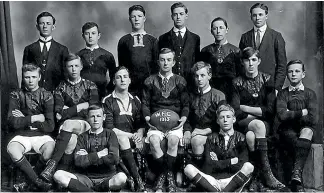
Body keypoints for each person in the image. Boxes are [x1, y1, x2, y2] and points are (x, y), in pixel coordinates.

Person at [231, 47, 287, 191]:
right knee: (257, 125)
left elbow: (269, 111)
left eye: (254, 60)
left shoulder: (267, 79)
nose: (250, 63)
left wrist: (245, 107)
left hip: (265, 124)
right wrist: (257, 112)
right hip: (243, 123)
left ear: (259, 61)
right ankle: (267, 174)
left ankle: (255, 177)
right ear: (243, 62)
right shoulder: (236, 82)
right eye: (247, 60)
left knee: (251, 136)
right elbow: (235, 111)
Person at [40, 53, 99, 182]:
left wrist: (70, 110)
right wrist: (81, 107)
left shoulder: (91, 86)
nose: (73, 69)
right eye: (70, 66)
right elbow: (59, 114)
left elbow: (93, 111)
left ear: (81, 67)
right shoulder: (60, 88)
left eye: (76, 66)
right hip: (66, 126)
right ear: (66, 68)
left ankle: (52, 165)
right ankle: (62, 176)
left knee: (68, 124)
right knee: (71, 139)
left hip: (86, 123)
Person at [142, 48, 190, 192]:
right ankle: (169, 177)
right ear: (158, 62)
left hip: (174, 124)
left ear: (174, 62)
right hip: (155, 124)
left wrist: (183, 118)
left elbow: (186, 104)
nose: (165, 63)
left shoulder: (180, 81)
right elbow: (145, 103)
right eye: (162, 60)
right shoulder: (150, 81)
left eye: (169, 60)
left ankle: (163, 178)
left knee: (173, 141)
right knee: (154, 142)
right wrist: (147, 118)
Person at [53, 104, 127, 192]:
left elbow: (114, 159)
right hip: (86, 178)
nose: (95, 119)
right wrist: (100, 154)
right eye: (92, 116)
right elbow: (78, 162)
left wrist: (88, 157)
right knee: (58, 175)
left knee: (122, 177)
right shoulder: (82, 137)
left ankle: (89, 190)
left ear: (104, 117)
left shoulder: (110, 134)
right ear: (87, 118)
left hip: (107, 178)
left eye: (98, 116)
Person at [184, 104, 254, 192]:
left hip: (232, 180)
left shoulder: (241, 138)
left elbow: (241, 164)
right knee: (188, 169)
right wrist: (231, 161)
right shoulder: (211, 138)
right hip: (213, 180)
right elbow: (208, 166)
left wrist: (218, 162)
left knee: (249, 166)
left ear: (234, 119)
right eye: (222, 117)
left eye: (228, 117)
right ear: (217, 121)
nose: (225, 120)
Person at [7, 63, 55, 191]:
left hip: (42, 136)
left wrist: (24, 119)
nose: (30, 80)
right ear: (23, 78)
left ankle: (29, 181)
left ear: (39, 77)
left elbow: (50, 126)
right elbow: (11, 122)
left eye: (34, 77)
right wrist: (35, 118)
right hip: (21, 136)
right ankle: (38, 182)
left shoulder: (47, 95)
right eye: (27, 77)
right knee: (12, 149)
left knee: (50, 150)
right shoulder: (15, 95)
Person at [102, 66, 146, 191]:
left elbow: (141, 124)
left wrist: (139, 134)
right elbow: (110, 128)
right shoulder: (108, 101)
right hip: (113, 139)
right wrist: (132, 136)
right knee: (122, 139)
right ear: (113, 81)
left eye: (125, 77)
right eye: (118, 77)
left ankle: (135, 176)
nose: (122, 80)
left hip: (133, 138)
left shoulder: (135, 100)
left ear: (130, 80)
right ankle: (138, 180)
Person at [276, 60, 317, 192]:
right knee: (293, 139)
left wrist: (291, 114)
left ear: (303, 74)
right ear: (287, 74)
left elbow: (313, 118)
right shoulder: (283, 94)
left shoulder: (310, 94)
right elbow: (281, 116)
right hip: (287, 130)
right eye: (290, 71)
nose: (293, 74)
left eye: (297, 71)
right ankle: (296, 181)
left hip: (304, 129)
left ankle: (296, 174)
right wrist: (302, 112)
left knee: (307, 132)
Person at [239, 3, 287, 95]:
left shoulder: (276, 36)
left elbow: (282, 65)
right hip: (248, 85)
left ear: (266, 16)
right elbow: (241, 63)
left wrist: (277, 87)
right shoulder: (245, 37)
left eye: (260, 14)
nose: (257, 18)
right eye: (254, 15)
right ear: (251, 17)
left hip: (270, 86)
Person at [188, 61, 226, 168]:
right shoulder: (190, 96)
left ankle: (200, 173)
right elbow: (186, 117)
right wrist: (187, 131)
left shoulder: (219, 96)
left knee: (197, 140)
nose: (199, 79)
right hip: (193, 132)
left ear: (209, 76)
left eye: (202, 75)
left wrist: (206, 130)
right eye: (196, 76)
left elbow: (223, 120)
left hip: (215, 133)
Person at [117, 5, 158, 97]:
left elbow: (156, 66)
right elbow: (122, 66)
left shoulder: (153, 40)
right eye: (133, 17)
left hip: (149, 87)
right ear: (129, 19)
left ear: (144, 18)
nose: (136, 19)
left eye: (139, 16)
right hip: (130, 88)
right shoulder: (124, 40)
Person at [23, 11, 69, 91]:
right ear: (37, 27)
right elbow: (25, 74)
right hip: (34, 94)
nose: (45, 26)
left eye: (48, 23)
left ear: (53, 27)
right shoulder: (29, 49)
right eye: (42, 23)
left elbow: (66, 75)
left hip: (56, 94)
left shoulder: (62, 49)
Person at [158, 2, 200, 89]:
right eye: (175, 14)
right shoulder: (163, 38)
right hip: (170, 84)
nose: (178, 17)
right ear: (172, 17)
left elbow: (196, 62)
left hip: (190, 83)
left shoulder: (195, 38)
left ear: (186, 16)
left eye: (181, 14)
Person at [200, 17, 241, 100]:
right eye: (215, 28)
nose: (218, 31)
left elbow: (240, 75)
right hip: (211, 90)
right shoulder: (205, 51)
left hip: (231, 91)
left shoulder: (236, 51)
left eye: (221, 28)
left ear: (227, 30)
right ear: (211, 31)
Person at [77, 22, 117, 99]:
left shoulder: (107, 55)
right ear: (83, 36)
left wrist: (107, 93)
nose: (90, 36)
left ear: (98, 35)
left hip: (102, 95)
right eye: (87, 33)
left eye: (93, 33)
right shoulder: (78, 55)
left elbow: (113, 78)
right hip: (82, 96)